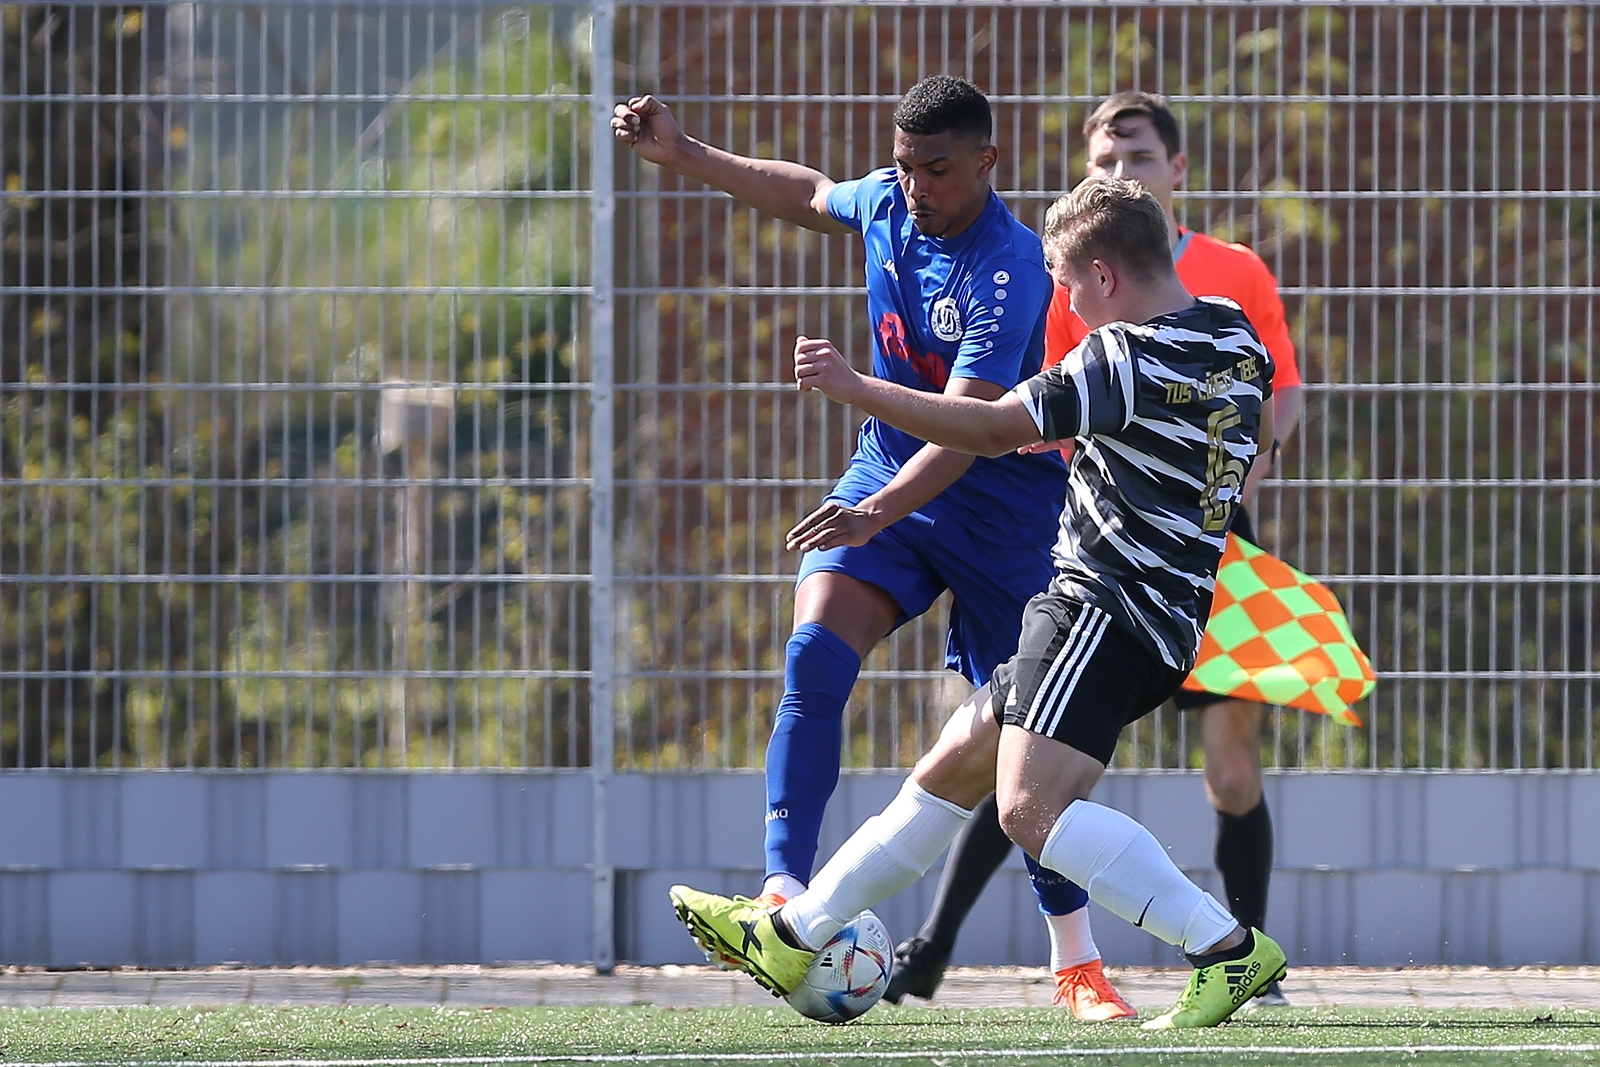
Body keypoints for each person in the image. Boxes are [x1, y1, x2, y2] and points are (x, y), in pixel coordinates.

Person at [669, 174, 1285, 1030]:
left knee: (1030, 810)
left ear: (1106, 276)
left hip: (1099, 609)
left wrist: (858, 388)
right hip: (1162, 614)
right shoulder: (1233, 334)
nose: (1066, 303)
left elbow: (994, 428)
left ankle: (1224, 947)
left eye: (1070, 284)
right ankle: (792, 931)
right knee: (951, 768)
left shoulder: (1120, 358)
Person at [612, 75, 1072, 942]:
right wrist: (685, 153)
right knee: (815, 651)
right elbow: (815, 194)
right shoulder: (895, 205)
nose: (914, 189)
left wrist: (874, 504)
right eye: (903, 168)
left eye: (935, 170)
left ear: (986, 162)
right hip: (888, 474)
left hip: (1000, 505)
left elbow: (971, 430)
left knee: (1023, 742)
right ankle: (783, 887)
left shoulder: (1009, 270)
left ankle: (1074, 955)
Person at [886, 90, 1304, 1013]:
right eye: (1105, 164)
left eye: (1138, 159)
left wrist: (1226, 485)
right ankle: (932, 948)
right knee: (1019, 747)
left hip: (1214, 548)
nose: (1120, 176)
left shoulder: (1232, 278)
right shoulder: (1072, 274)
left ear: (1176, 171)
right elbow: (1044, 410)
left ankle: (1239, 957)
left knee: (1226, 767)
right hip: (1101, 545)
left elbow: (1278, 399)